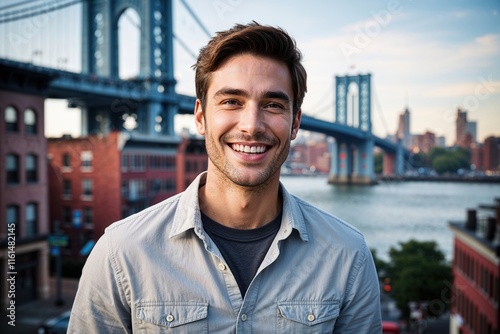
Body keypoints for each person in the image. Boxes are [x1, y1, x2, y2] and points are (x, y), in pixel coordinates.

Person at [68, 22, 382, 333]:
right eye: (232, 101)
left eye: (273, 105)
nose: (251, 125)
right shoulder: (120, 253)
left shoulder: (348, 255)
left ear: (295, 122)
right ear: (201, 117)